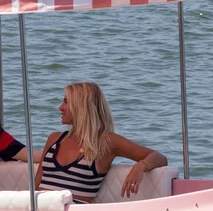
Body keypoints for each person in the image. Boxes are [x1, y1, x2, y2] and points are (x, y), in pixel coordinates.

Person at [35, 82, 168, 202]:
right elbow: (36, 186)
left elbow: (159, 157)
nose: (60, 107)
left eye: (66, 102)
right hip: (39, 210)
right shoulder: (55, 139)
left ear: (81, 107)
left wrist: (139, 167)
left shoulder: (106, 141)